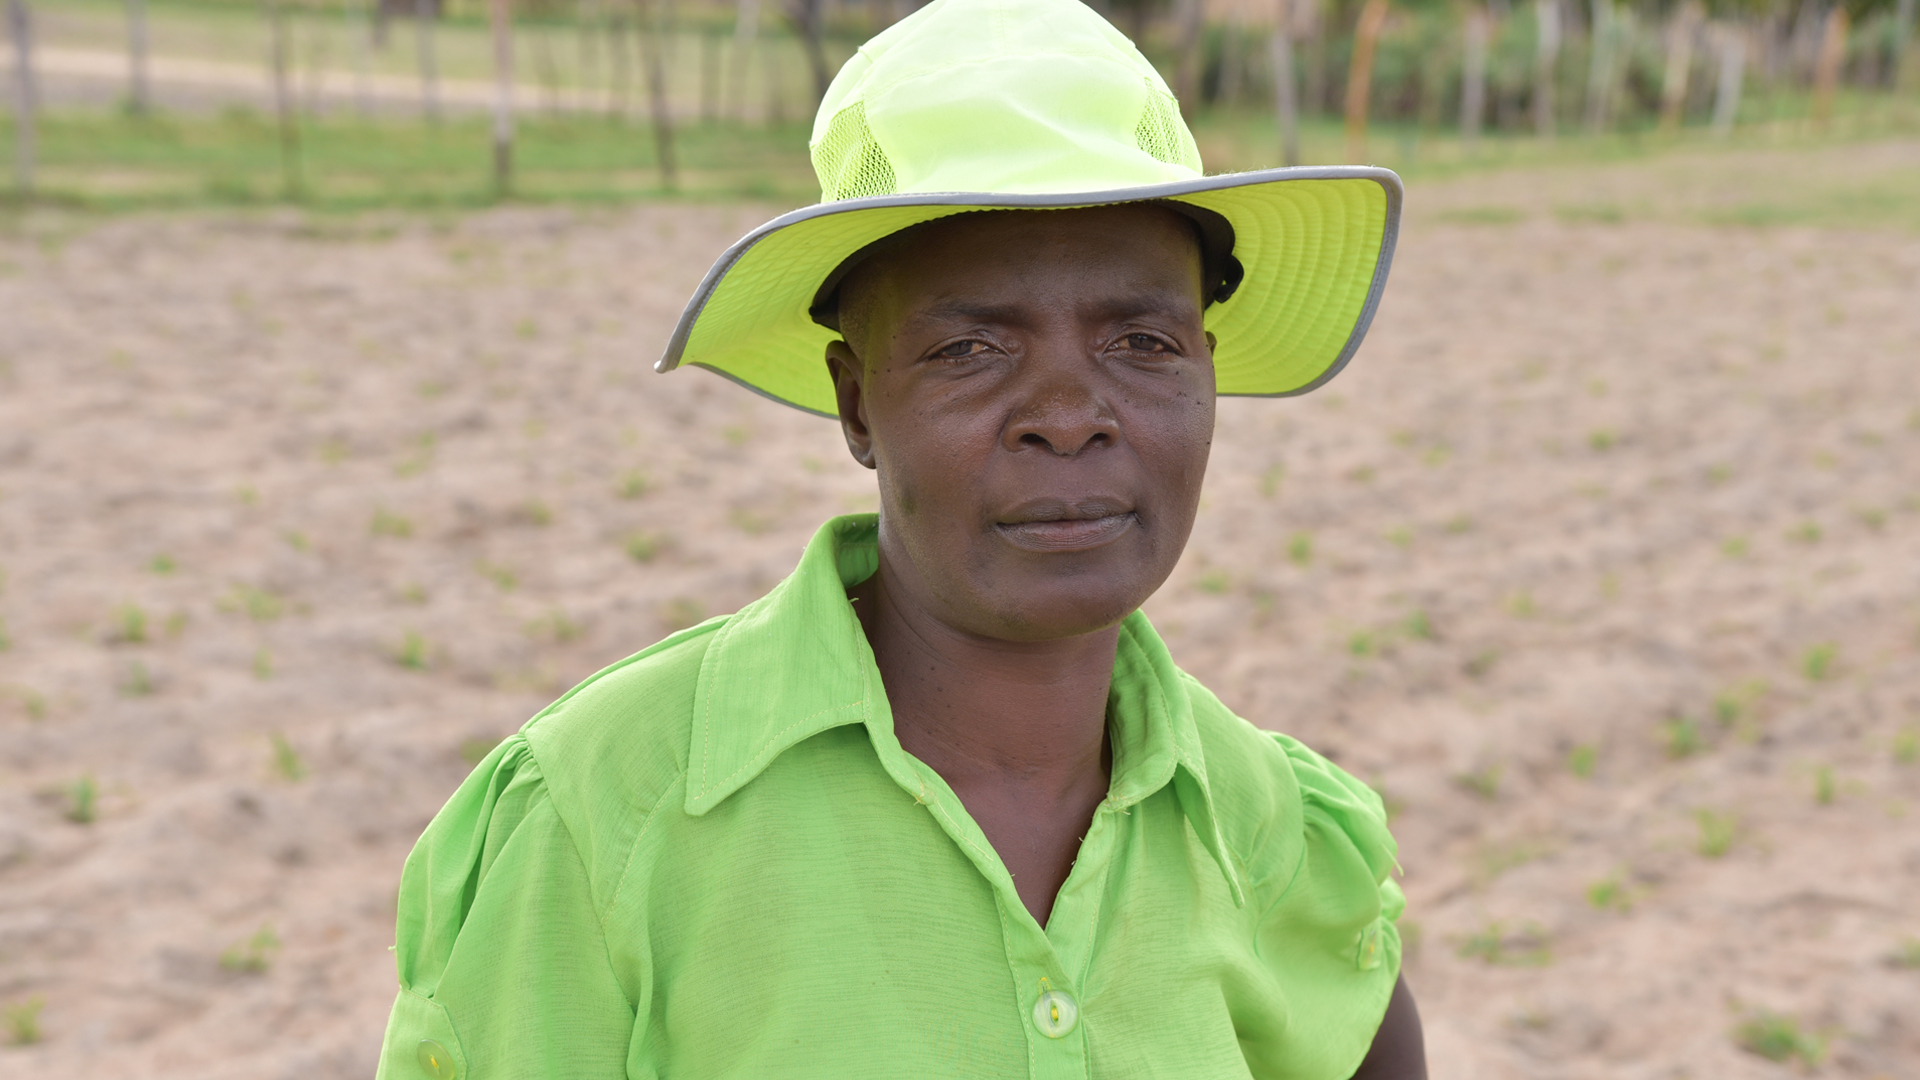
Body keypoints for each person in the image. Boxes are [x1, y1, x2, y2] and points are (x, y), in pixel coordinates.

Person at [376, 0, 1421, 1077]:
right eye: (971, 346)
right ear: (857, 404)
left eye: (1142, 341)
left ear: (1205, 368)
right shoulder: (600, 821)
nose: (1069, 412)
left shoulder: (1275, 831)